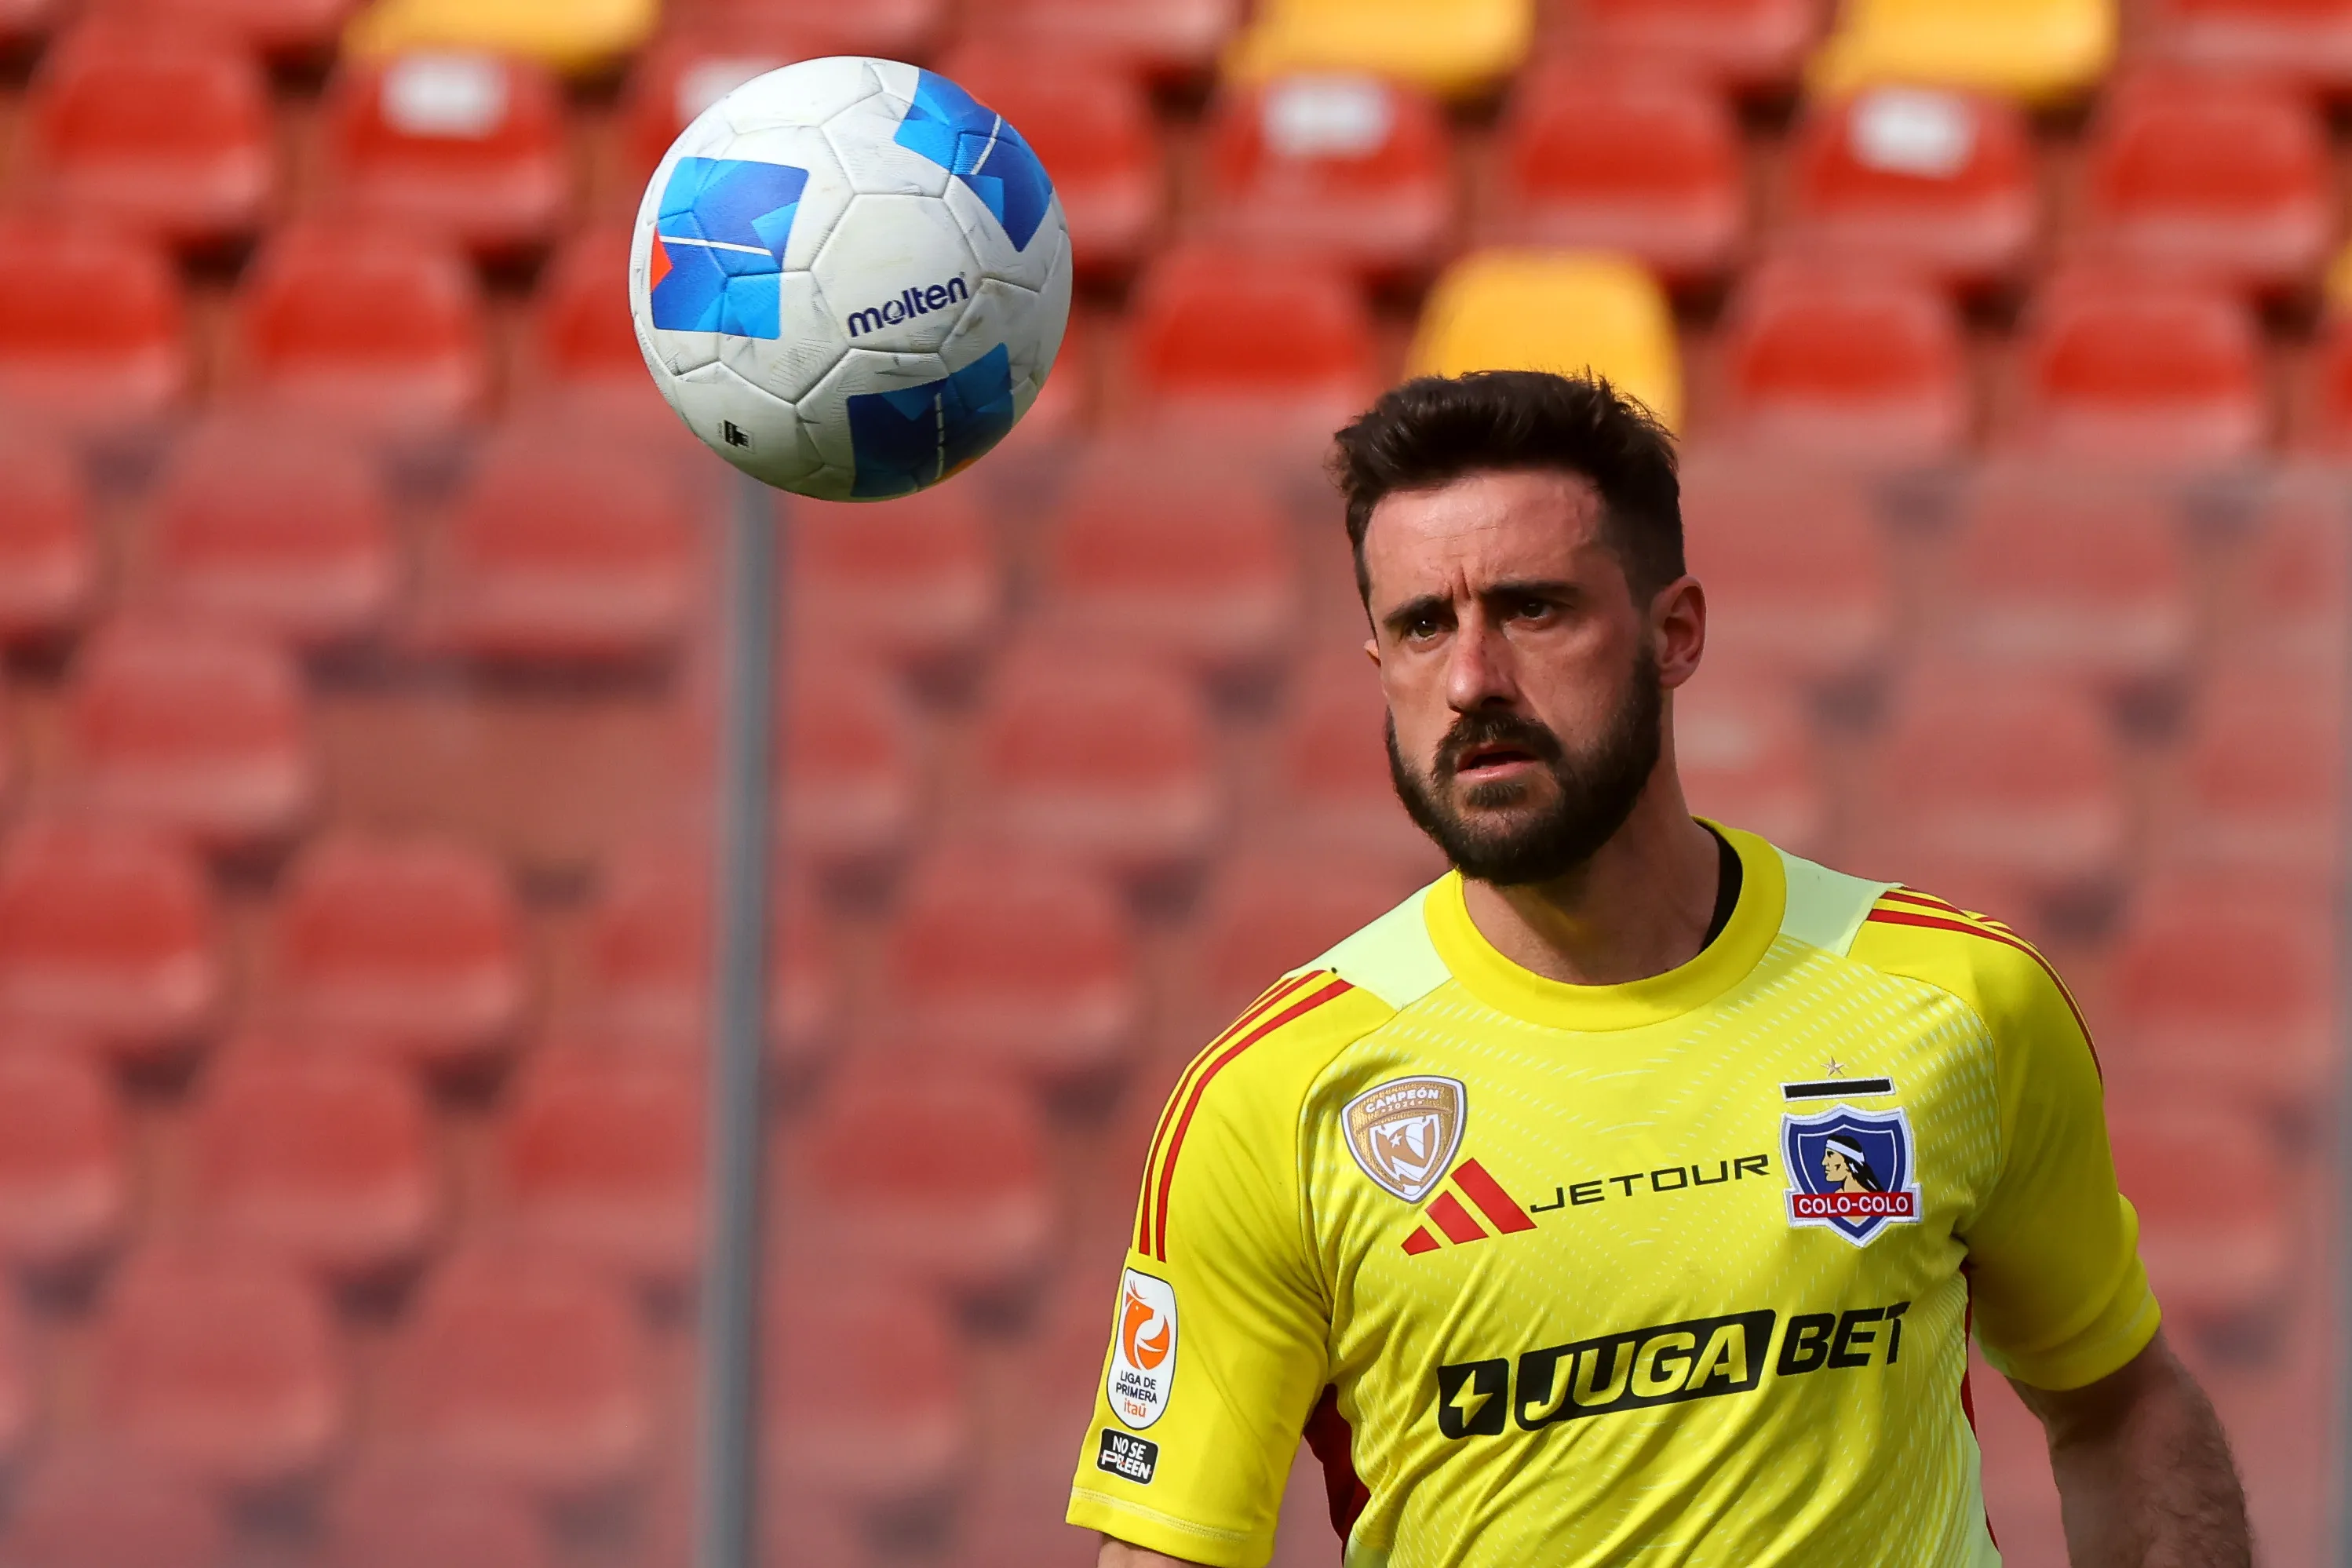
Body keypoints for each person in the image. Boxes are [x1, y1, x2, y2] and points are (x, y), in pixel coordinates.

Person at [1064, 371, 2248, 1566]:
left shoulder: (1956, 1007)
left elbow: (2121, 1406)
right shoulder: (1277, 1096)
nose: (1473, 680)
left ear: (1674, 632)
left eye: (1531, 610)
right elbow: (1168, 1552)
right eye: (1424, 623)